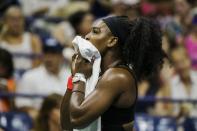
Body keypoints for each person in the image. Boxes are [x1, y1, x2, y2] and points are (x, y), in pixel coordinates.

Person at [61, 16, 165, 131]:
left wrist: (79, 76)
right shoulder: (97, 73)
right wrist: (73, 78)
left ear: (112, 41)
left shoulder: (117, 76)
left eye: (95, 32)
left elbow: (76, 118)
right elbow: (67, 124)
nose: (87, 36)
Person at [15, 38, 70, 110]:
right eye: (46, 53)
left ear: (61, 57)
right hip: (41, 118)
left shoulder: (70, 76)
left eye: (53, 54)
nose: (49, 59)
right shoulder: (29, 76)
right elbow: (22, 104)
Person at [0, 6, 42, 76]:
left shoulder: (33, 40)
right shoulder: (1, 40)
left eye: (19, 19)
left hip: (27, 80)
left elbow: (37, 67)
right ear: (5, 21)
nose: (16, 23)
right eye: (13, 19)